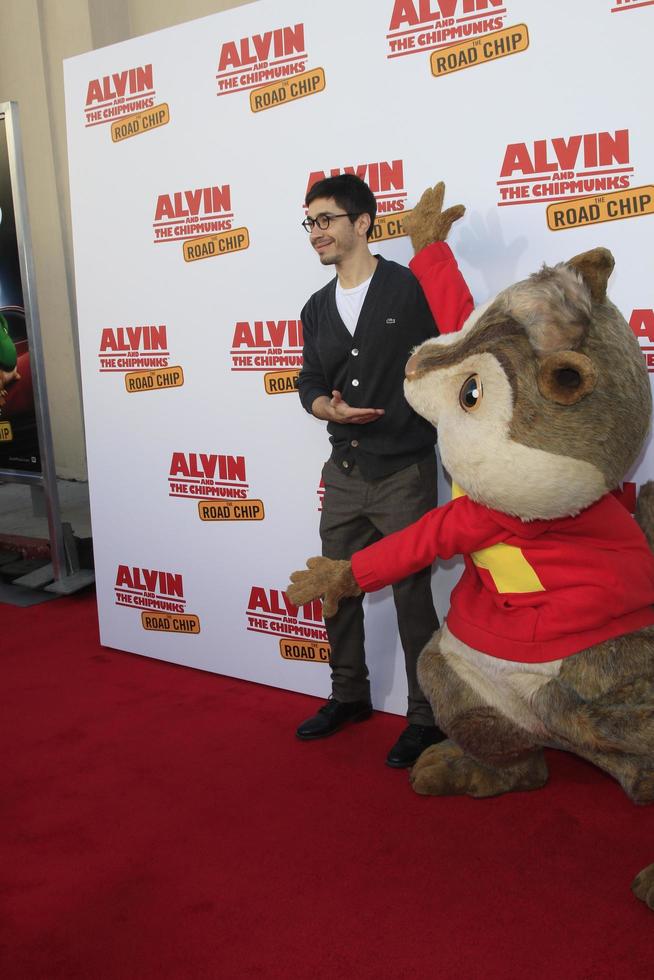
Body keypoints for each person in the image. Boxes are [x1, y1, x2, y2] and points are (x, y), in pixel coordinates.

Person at [295, 173, 473, 767]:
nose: (316, 232)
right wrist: (326, 406)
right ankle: (348, 695)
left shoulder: (407, 287)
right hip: (344, 470)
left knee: (411, 596)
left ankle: (426, 717)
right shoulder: (315, 308)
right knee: (333, 586)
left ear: (362, 223)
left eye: (326, 219)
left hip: (405, 470)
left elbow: (454, 347)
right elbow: (309, 384)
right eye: (310, 222)